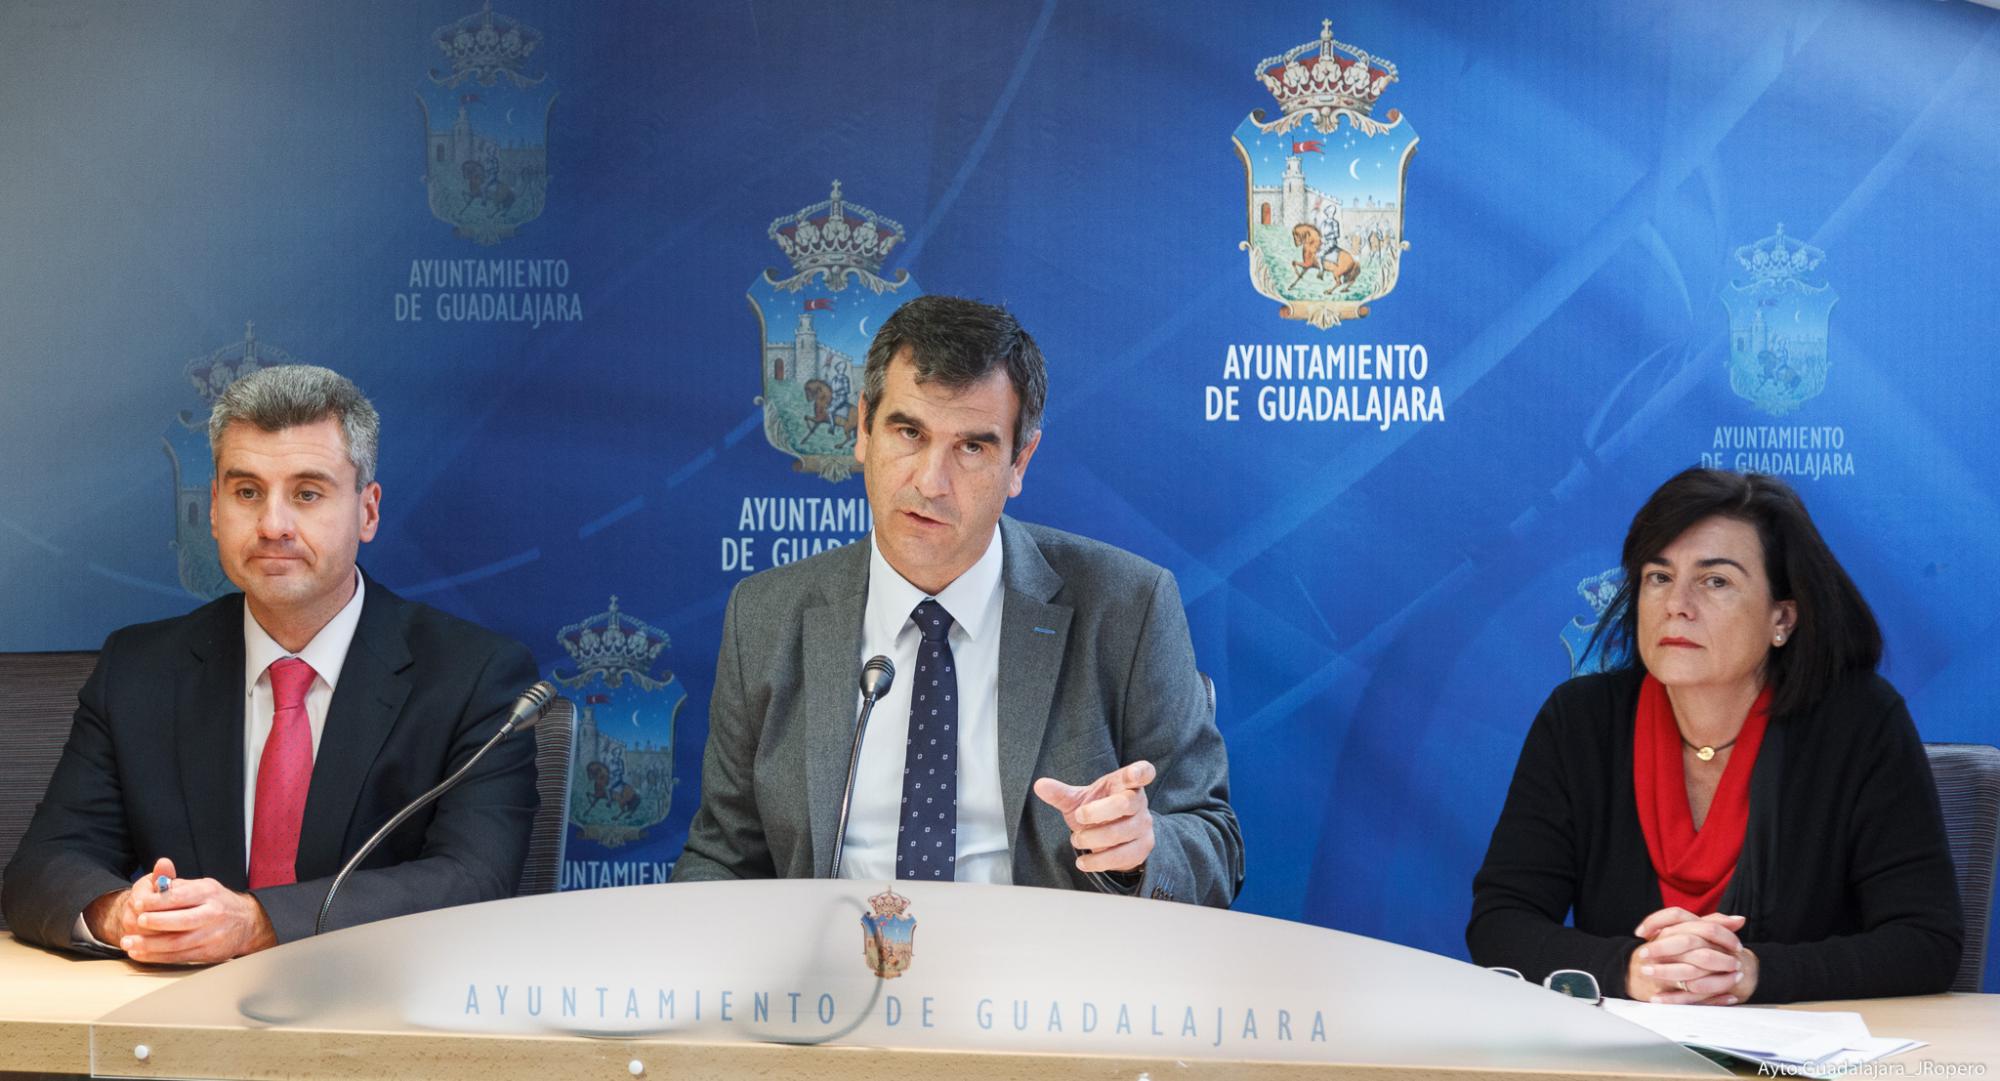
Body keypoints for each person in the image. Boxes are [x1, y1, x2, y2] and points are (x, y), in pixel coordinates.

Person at [673, 295, 1242, 905]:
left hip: (1042, 962)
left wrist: (1137, 852)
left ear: (1020, 462)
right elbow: (724, 856)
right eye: (908, 433)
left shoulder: (1127, 606)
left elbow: (1214, 845)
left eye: (972, 447)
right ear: (863, 430)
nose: (930, 482)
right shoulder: (764, 616)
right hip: (833, 960)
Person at [2, 365, 540, 962]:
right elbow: (44, 866)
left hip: (379, 1001)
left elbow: (475, 879)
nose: (272, 526)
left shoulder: (474, 676)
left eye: (307, 494)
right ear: (213, 507)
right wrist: (121, 912)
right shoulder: (139, 670)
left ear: (367, 511)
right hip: (178, 1009)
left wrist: (259, 923)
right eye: (247, 492)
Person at [1468, 468, 1961, 1003]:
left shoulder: (1858, 721)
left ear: (1782, 618)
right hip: (1626, 1043)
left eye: (1715, 581)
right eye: (1659, 577)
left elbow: (1925, 942)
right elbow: (1501, 923)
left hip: (1805, 1045)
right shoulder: (1580, 721)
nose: (1676, 604)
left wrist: (1749, 974)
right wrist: (1632, 970)